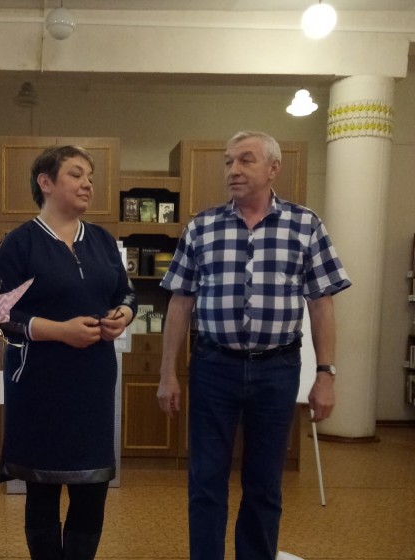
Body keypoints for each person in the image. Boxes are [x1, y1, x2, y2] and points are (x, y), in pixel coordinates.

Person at [156, 131, 351, 560]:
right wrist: (168, 373)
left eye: (246, 160)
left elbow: (321, 303)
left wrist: (326, 375)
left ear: (273, 168)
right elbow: (180, 303)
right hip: (213, 367)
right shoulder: (202, 227)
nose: (234, 170)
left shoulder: (305, 225)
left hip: (277, 370)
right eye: (229, 161)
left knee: (264, 484)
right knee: (206, 481)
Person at [0, 145, 137, 560]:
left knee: (92, 492)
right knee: (42, 490)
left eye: (90, 176)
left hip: (93, 386)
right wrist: (59, 331)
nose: (88, 183)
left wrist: (123, 315)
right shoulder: (19, 243)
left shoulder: (103, 241)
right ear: (46, 182)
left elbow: (126, 293)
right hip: (39, 386)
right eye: (76, 174)